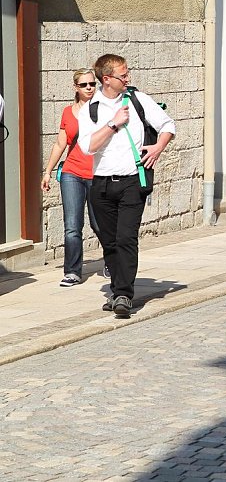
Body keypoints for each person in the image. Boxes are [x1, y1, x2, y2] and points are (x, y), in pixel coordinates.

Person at [78, 54, 176, 317]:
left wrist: (158, 147)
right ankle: (116, 290)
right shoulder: (90, 109)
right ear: (106, 79)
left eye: (127, 73)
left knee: (125, 238)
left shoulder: (136, 99)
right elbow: (87, 147)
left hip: (132, 181)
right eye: (123, 75)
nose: (128, 78)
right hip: (101, 184)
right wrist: (113, 124)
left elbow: (168, 124)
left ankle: (123, 294)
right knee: (109, 242)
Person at [41, 68, 103, 287]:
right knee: (72, 226)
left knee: (99, 223)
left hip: (97, 173)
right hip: (72, 173)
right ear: (75, 87)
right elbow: (61, 143)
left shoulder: (103, 109)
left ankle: (112, 260)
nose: (89, 88)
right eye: (84, 84)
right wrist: (48, 172)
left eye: (92, 84)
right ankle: (73, 272)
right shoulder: (68, 112)